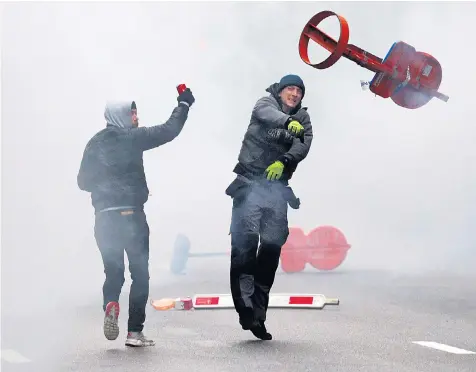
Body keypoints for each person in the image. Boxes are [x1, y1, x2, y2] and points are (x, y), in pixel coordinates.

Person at [77, 87, 195, 347]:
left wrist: (104, 182)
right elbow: (169, 130)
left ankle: (110, 303)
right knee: (140, 274)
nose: (136, 117)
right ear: (121, 115)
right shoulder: (132, 138)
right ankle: (134, 332)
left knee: (114, 272)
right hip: (132, 217)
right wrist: (184, 105)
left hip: (105, 219)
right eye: (132, 113)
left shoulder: (94, 144)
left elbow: (82, 182)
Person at [226, 74, 313, 340]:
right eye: (290, 88)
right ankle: (246, 310)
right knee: (246, 245)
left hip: (276, 190)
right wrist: (288, 122)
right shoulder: (265, 104)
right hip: (249, 184)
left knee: (272, 248)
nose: (295, 94)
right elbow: (265, 114)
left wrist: (285, 160)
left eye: (299, 90)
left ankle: (259, 315)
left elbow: (304, 142)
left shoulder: (304, 118)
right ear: (280, 90)